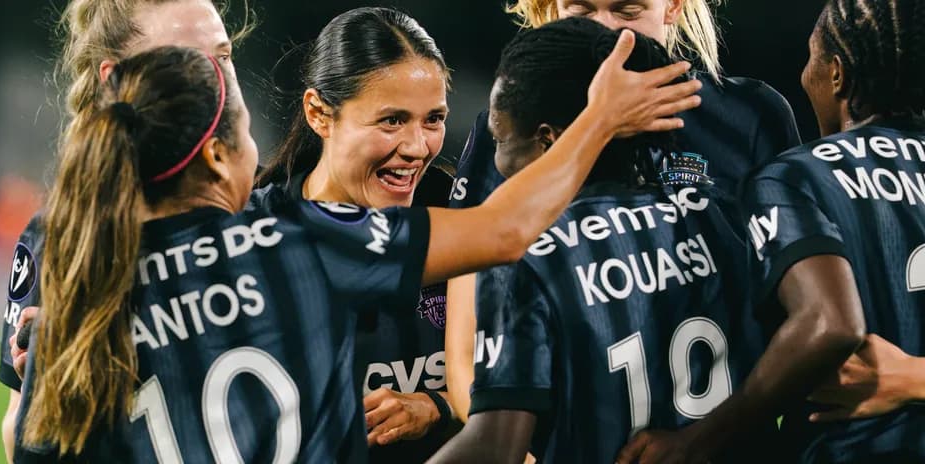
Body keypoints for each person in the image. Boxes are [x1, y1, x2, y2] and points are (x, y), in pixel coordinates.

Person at [11, 23, 703, 463]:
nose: (417, 145)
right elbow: (507, 229)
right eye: (247, 131)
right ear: (220, 159)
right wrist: (601, 119)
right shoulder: (295, 243)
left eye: (432, 120)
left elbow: (27, 445)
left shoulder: (76, 311)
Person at [429, 18, 775, 463]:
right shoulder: (720, 217)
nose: (496, 159)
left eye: (500, 139)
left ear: (548, 139)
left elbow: (496, 444)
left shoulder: (526, 257)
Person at [617, 0, 925, 462]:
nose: (805, 76)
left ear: (837, 74)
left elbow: (829, 325)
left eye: (811, 58)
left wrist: (693, 443)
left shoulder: (794, 177)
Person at [0, 1, 251, 461]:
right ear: (116, 80)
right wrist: (49, 381)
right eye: (186, 60)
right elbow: (20, 434)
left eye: (225, 57)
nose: (219, 82)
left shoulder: (269, 217)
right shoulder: (58, 239)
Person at [256, 8, 461, 460]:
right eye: (391, 120)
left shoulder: (460, 215)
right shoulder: (259, 238)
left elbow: (525, 372)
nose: (416, 147)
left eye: (433, 119)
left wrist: (437, 406)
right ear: (318, 113)